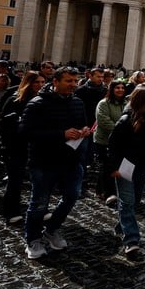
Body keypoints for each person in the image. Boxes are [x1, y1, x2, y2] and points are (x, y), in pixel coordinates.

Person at [20, 66, 92, 259]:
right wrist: (61, 134)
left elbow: (82, 122)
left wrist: (84, 130)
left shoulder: (77, 102)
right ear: (55, 82)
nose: (73, 85)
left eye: (75, 81)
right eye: (69, 81)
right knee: (39, 203)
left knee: (72, 196)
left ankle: (51, 229)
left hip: (71, 160)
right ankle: (33, 240)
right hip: (44, 161)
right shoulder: (37, 103)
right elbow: (25, 132)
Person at [108, 87, 145, 258]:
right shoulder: (126, 120)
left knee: (135, 199)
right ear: (141, 101)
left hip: (143, 165)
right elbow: (113, 145)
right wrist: (114, 168)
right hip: (126, 165)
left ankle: (122, 225)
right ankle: (131, 241)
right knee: (127, 201)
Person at [0, 71, 46, 224]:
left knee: (40, 180)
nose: (40, 85)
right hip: (16, 146)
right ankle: (11, 211)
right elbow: (5, 124)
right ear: (28, 83)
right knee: (15, 180)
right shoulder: (14, 99)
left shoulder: (43, 100)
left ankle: (41, 208)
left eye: (42, 82)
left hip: (36, 146)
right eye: (36, 82)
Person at [93, 80, 127, 205]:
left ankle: (101, 190)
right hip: (104, 140)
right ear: (112, 89)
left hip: (120, 141)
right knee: (106, 166)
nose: (120, 90)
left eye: (122, 88)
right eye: (117, 87)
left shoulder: (126, 103)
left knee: (113, 166)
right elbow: (103, 120)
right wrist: (121, 131)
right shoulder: (103, 103)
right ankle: (107, 193)